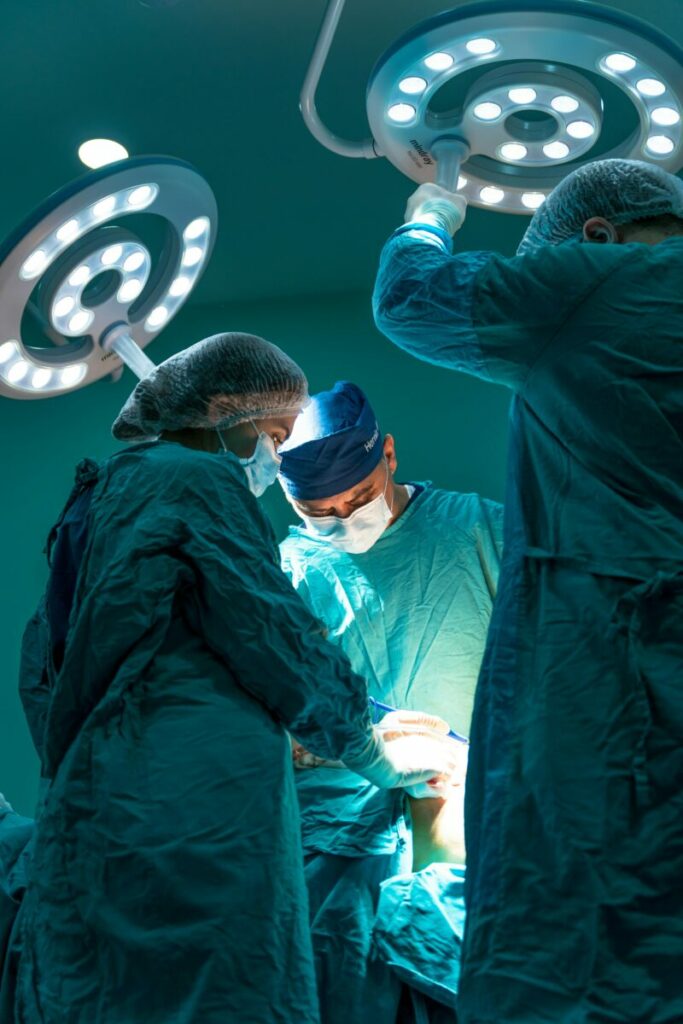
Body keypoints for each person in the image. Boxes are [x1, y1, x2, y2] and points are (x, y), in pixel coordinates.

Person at [12, 333, 457, 1024]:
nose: (273, 455)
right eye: (276, 434)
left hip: (102, 805)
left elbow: (43, 671)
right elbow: (275, 636)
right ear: (226, 410)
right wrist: (368, 750)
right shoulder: (193, 480)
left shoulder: (95, 502)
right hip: (202, 812)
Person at [372, 159, 683, 1023]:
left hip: (604, 664)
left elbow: (411, 298)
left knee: (575, 927)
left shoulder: (593, 282)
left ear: (590, 239)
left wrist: (427, 214)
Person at [278, 381, 503, 1024]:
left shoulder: (480, 530)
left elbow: (556, 664)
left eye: (359, 498)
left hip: (470, 816)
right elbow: (261, 716)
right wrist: (345, 744)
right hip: (338, 848)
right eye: (319, 512)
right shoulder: (284, 574)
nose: (344, 521)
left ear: (391, 455)